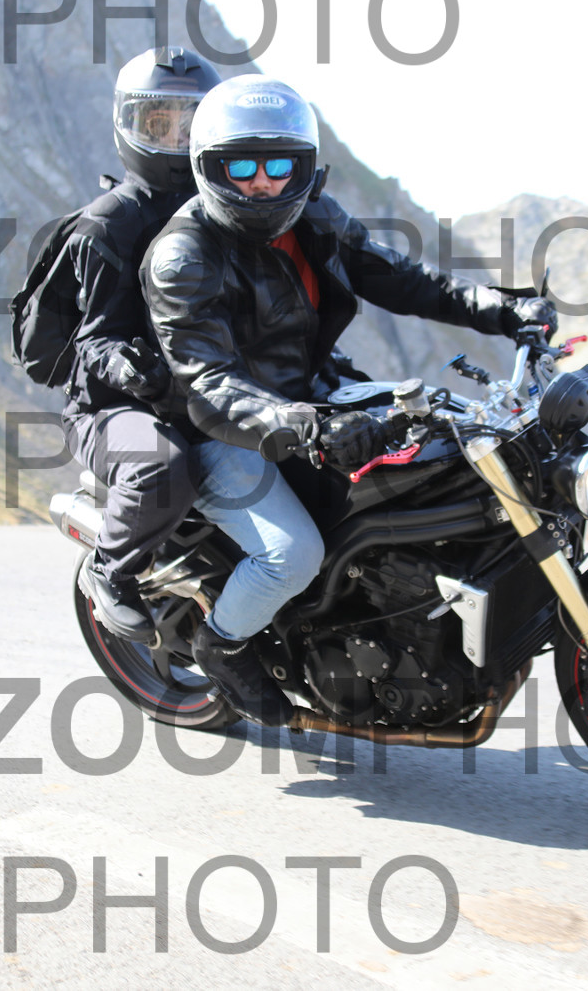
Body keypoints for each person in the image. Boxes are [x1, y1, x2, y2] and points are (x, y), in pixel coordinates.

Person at [142, 75, 557, 726]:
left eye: (280, 165)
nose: (263, 183)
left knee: (450, 436)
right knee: (291, 556)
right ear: (209, 168)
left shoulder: (313, 217)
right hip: (216, 431)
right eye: (241, 167)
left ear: (304, 167)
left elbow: (402, 277)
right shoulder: (183, 256)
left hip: (311, 397)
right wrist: (304, 425)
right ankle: (222, 646)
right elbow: (209, 382)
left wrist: (503, 310)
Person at [60, 46, 219, 641]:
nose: (175, 139)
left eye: (190, 125)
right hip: (112, 407)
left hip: (200, 392)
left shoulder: (225, 212)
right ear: (129, 124)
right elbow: (90, 340)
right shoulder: (111, 221)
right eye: (159, 124)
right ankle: (111, 571)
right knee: (163, 465)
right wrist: (129, 367)